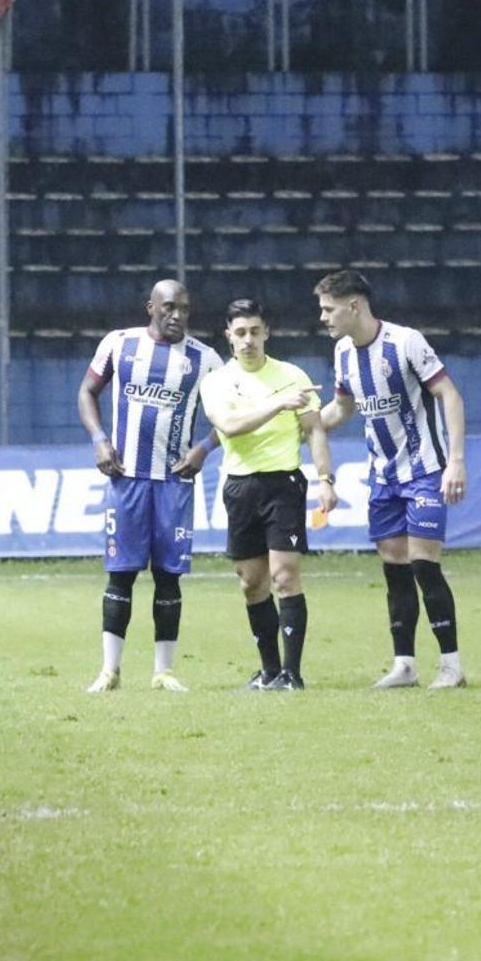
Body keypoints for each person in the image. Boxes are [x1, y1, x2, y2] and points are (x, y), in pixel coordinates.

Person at [314, 270, 468, 690]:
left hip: (424, 472)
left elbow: (449, 395)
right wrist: (305, 423)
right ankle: (405, 665)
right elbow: (342, 410)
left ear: (354, 306)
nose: (323, 318)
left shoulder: (406, 342)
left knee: (424, 564)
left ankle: (451, 665)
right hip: (381, 478)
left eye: (328, 309)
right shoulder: (344, 352)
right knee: (395, 570)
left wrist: (455, 461)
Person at [78, 279, 222, 693]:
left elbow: (232, 411)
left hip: (174, 483)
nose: (177, 315)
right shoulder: (119, 345)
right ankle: (109, 671)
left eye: (185, 309)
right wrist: (99, 439)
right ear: (151, 308)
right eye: (169, 307)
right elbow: (87, 392)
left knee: (168, 576)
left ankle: (164, 671)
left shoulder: (205, 359)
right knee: (120, 574)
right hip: (126, 479)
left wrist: (205, 448)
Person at [198, 299, 337, 690]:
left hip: (283, 484)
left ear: (266, 333)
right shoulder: (216, 382)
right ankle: (270, 671)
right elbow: (229, 424)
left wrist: (326, 478)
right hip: (240, 487)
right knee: (252, 583)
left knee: (284, 576)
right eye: (240, 333)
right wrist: (277, 403)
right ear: (228, 336)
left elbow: (314, 429)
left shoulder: (292, 375)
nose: (248, 340)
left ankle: (293, 674)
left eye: (255, 332)